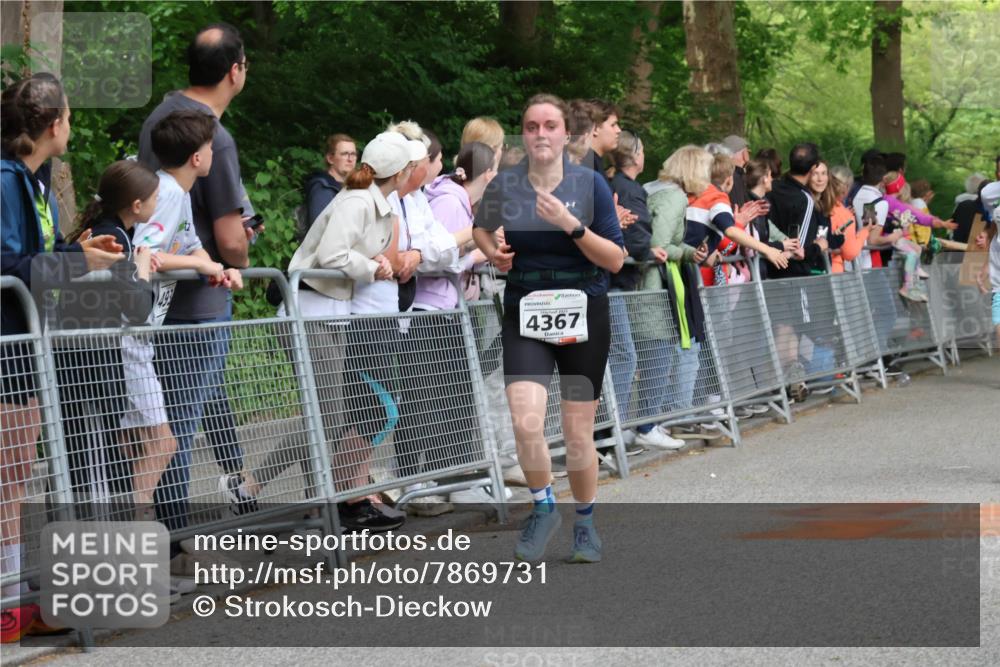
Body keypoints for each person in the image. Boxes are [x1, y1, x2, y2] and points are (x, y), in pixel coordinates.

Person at [473, 93, 626, 563]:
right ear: (524, 133)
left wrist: (571, 226)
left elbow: (616, 260)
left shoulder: (590, 185)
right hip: (526, 309)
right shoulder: (506, 186)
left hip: (584, 311)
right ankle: (544, 507)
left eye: (550, 126)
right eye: (532, 126)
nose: (541, 134)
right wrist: (493, 252)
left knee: (577, 433)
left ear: (566, 134)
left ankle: (585, 523)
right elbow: (481, 227)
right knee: (524, 418)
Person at [1, 73, 124, 643]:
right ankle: (9, 608)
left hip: (28, 342)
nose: (71, 127)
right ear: (53, 126)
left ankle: (22, 603)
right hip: (9, 342)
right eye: (70, 118)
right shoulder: (6, 181)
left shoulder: (36, 179)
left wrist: (79, 251)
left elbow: (39, 255)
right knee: (9, 477)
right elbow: (10, 267)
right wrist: (79, 264)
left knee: (17, 472)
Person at [249, 132, 416, 532]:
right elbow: (332, 255)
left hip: (332, 311)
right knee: (325, 414)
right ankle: (262, 489)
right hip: (311, 311)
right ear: (400, 172)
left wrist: (372, 257)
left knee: (329, 413)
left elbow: (349, 249)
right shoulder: (359, 200)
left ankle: (307, 500)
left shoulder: (373, 201)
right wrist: (373, 266)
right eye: (411, 167)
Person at [137, 23, 255, 567]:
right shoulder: (214, 135)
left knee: (161, 422)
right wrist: (237, 256)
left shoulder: (157, 118)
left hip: (159, 305)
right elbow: (231, 240)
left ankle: (164, 536)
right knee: (177, 425)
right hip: (197, 303)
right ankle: (176, 546)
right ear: (235, 71)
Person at [130, 111, 234, 527]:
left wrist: (216, 267)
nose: (213, 153)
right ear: (196, 157)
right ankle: (136, 541)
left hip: (144, 334)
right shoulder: (168, 192)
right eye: (209, 147)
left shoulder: (179, 192)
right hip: (132, 333)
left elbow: (191, 244)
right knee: (159, 443)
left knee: (147, 445)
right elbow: (145, 253)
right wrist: (208, 269)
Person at [57, 161, 158, 511]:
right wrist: (143, 268)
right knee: (91, 457)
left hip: (87, 354)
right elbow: (138, 308)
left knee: (96, 454)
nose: (157, 204)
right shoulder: (113, 240)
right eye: (154, 198)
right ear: (136, 205)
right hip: (89, 359)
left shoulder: (113, 232)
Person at [635, 148, 713, 444]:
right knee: (659, 353)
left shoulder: (650, 188)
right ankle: (645, 425)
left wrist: (690, 252)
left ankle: (643, 423)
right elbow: (660, 244)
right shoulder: (675, 196)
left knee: (641, 358)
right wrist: (687, 253)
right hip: (655, 285)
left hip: (642, 283)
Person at [304, 133, 357, 228]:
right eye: (344, 154)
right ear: (330, 158)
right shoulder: (323, 189)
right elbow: (320, 229)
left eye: (353, 154)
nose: (350, 159)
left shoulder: (352, 187)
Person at [826, 165, 871, 274]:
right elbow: (850, 252)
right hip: (833, 271)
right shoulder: (844, 214)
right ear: (846, 188)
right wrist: (865, 231)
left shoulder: (819, 205)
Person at [582, 99, 620, 175]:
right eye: (613, 125)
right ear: (595, 129)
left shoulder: (591, 163)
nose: (619, 130)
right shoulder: (586, 168)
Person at [722, 135, 750, 206]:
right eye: (748, 151)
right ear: (744, 153)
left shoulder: (720, 174)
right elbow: (739, 207)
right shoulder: (735, 177)